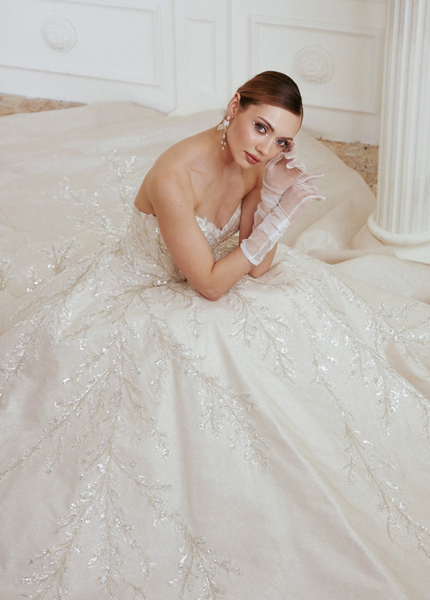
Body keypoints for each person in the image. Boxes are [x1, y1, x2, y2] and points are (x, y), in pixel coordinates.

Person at [0, 71, 429, 600]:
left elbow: (257, 264)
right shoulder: (174, 175)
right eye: (260, 127)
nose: (266, 148)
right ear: (233, 106)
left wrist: (272, 200)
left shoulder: (255, 164)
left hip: (214, 276)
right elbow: (206, 283)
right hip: (149, 286)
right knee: (203, 359)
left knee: (293, 323)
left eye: (282, 141)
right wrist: (276, 222)